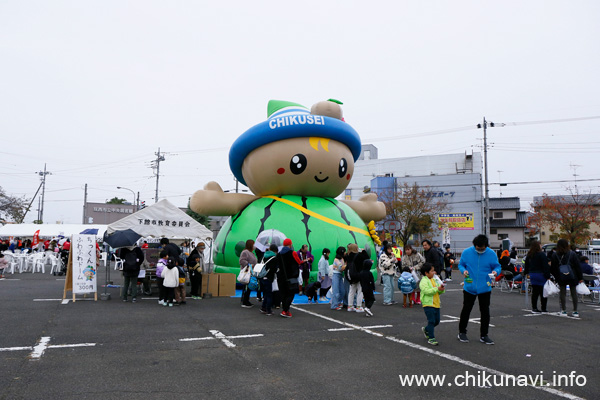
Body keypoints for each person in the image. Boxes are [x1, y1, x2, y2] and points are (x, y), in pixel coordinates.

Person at [457, 234, 501, 345]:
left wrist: (496, 272)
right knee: (466, 310)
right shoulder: (467, 252)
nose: (480, 250)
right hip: (469, 286)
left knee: (485, 312)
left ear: (486, 246)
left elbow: (497, 266)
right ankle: (462, 332)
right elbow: (461, 264)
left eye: (482, 248)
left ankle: (484, 335)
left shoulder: (491, 253)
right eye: (478, 248)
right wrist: (464, 271)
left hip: (485, 287)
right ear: (474, 245)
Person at [550, 239, 583, 317]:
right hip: (572, 275)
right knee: (573, 292)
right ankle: (575, 311)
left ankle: (563, 310)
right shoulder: (572, 253)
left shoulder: (555, 255)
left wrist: (556, 277)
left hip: (561, 275)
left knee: (562, 292)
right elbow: (577, 266)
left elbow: (553, 268)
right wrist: (580, 277)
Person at [420, 262, 445, 346]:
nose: (434, 273)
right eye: (432, 271)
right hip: (428, 304)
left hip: (436, 303)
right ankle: (431, 338)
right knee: (431, 321)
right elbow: (426, 291)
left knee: (437, 321)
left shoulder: (434, 280)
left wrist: (441, 289)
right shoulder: (423, 281)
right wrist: (436, 289)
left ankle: (426, 329)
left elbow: (439, 291)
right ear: (426, 273)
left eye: (434, 271)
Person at [523, 240, 550, 313]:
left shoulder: (529, 255)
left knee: (535, 292)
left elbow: (526, 265)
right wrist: (548, 275)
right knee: (543, 292)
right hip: (541, 274)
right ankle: (543, 308)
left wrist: (525, 273)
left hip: (532, 274)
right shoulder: (542, 254)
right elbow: (545, 266)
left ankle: (534, 307)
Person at [277, 238, 300, 318]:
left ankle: (285, 309)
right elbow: (298, 262)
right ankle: (285, 310)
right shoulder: (293, 253)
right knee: (291, 293)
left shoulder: (279, 254)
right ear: (290, 244)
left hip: (281, 277)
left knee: (283, 294)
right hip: (291, 277)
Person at [259, 243, 279, 316]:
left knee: (266, 294)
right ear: (275, 251)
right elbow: (274, 269)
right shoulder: (274, 258)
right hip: (269, 277)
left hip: (262, 276)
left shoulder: (264, 256)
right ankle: (268, 310)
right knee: (269, 294)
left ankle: (263, 307)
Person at [345, 244, 364, 313]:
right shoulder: (359, 255)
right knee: (360, 290)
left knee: (351, 290)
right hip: (358, 274)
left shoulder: (347, 255)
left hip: (350, 274)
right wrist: (363, 252)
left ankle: (350, 306)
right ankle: (358, 306)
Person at [239, 239, 257, 308]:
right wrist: (249, 265)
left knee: (248, 287)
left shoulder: (251, 252)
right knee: (247, 287)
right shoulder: (245, 252)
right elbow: (241, 261)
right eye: (253, 244)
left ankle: (246, 300)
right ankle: (245, 301)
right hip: (247, 272)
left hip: (251, 272)